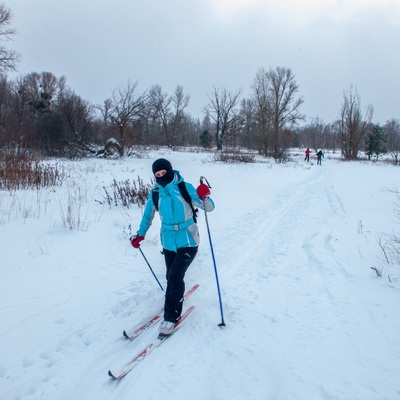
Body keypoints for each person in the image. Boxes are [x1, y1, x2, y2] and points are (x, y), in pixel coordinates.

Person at [130, 158, 215, 336]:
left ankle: (171, 317)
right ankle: (174, 297)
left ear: (170, 171)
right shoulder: (155, 194)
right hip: (168, 242)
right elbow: (147, 217)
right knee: (171, 276)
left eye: (164, 173)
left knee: (175, 276)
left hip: (188, 240)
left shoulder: (185, 187)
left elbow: (208, 207)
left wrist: (204, 195)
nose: (162, 176)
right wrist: (140, 235)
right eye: (158, 174)